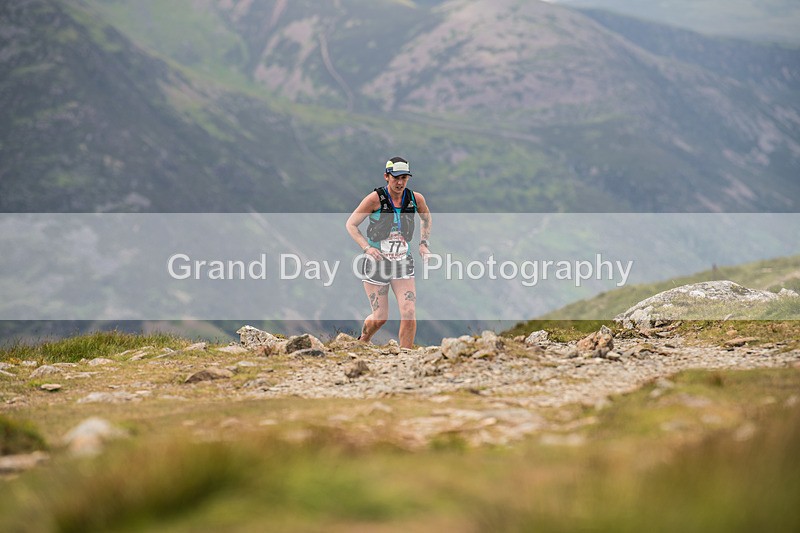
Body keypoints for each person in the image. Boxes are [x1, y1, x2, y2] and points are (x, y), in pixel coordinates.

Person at [345, 157, 432, 348]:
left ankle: (405, 357)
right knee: (380, 317)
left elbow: (426, 218)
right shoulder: (374, 199)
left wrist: (423, 243)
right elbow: (351, 224)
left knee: (408, 311)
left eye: (404, 178)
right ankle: (363, 342)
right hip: (376, 264)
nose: (400, 182)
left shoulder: (415, 199)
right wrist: (366, 248)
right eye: (395, 178)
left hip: (402, 262)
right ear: (386, 176)